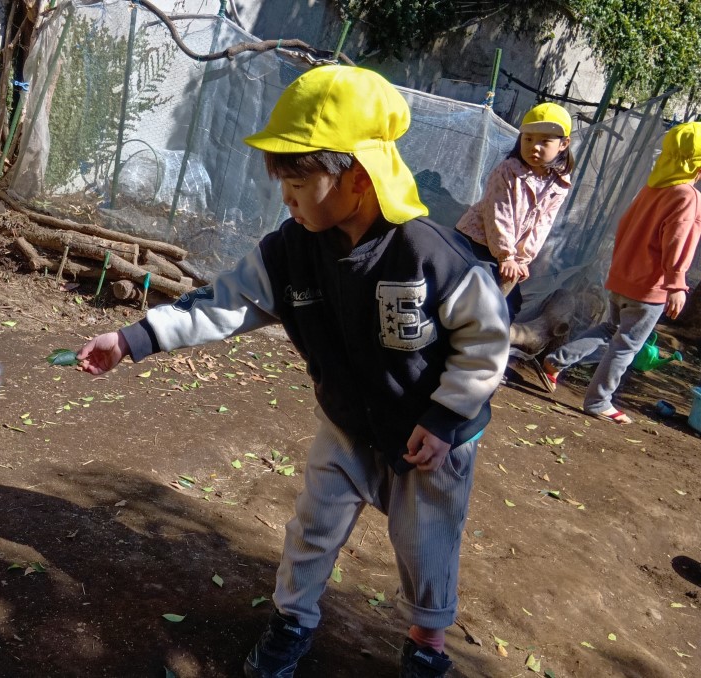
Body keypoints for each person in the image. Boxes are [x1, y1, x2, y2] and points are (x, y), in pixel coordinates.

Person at [75, 65, 509, 678]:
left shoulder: (432, 255)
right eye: (282, 180)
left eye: (299, 181)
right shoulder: (290, 252)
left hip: (430, 441)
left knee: (428, 543)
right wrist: (133, 338)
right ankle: (292, 620)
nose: (286, 196)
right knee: (312, 527)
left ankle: (427, 643)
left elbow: (487, 340)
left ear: (357, 176)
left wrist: (445, 417)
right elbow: (222, 305)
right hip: (346, 425)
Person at [538, 121, 701, 423]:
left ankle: (556, 360)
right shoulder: (686, 195)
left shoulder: (653, 188)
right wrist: (677, 283)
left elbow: (625, 225)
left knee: (611, 330)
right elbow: (677, 241)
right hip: (649, 288)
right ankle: (599, 401)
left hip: (621, 280)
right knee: (626, 345)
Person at [455, 102, 574, 319]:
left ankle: (484, 340)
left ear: (564, 144)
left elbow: (542, 226)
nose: (534, 147)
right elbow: (499, 215)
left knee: (511, 305)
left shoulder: (559, 184)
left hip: (507, 253)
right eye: (528, 139)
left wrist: (521, 260)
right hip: (476, 240)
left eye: (544, 141)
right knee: (472, 292)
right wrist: (506, 256)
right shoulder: (508, 171)